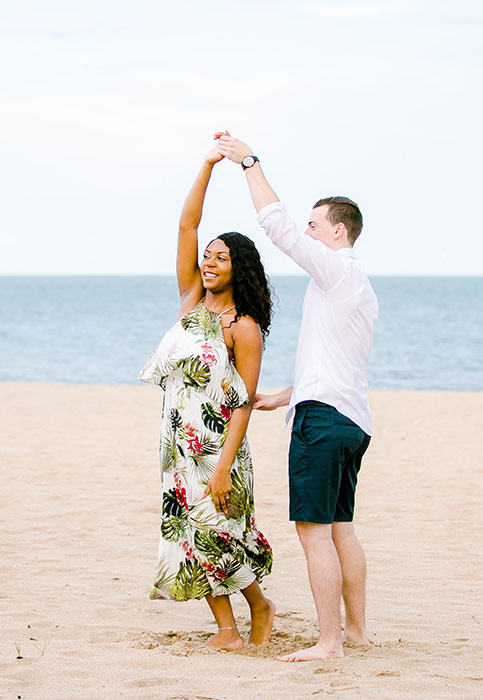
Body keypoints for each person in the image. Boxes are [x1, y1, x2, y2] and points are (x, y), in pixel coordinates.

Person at [217, 134, 378, 662]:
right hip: (349, 419)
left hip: (324, 423)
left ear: (338, 230)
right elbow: (338, 366)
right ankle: (354, 632)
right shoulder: (358, 287)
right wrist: (286, 395)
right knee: (340, 529)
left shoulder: (337, 271)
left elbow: (277, 227)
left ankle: (328, 642)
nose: (307, 233)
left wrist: (249, 163)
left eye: (316, 226)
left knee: (313, 534)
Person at [137, 135, 276, 651]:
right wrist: (208, 166)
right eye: (208, 256)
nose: (211, 262)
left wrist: (223, 465)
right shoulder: (192, 300)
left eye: (221, 258)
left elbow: (242, 401)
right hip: (176, 445)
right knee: (188, 536)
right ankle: (227, 629)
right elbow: (187, 226)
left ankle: (259, 604)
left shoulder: (244, 327)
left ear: (239, 267)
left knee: (220, 533)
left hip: (218, 451)